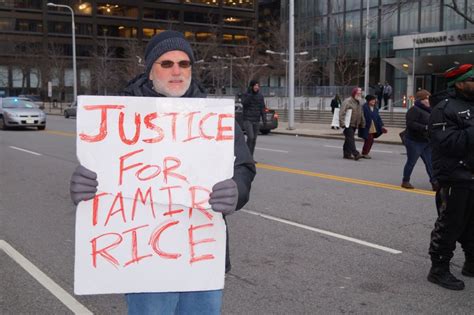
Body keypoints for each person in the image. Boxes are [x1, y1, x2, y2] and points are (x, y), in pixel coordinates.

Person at [69, 30, 256, 314]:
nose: (177, 71)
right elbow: (100, 170)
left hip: (201, 257)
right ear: (150, 69)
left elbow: (243, 168)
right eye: (166, 63)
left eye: (184, 63)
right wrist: (82, 186)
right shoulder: (120, 115)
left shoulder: (215, 118)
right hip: (146, 263)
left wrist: (236, 189)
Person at [427, 64, 474, 291]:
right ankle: (438, 269)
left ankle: (471, 263)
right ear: (460, 83)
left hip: (472, 175)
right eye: (473, 79)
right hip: (454, 176)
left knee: (472, 224)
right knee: (449, 224)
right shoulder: (443, 108)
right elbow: (448, 143)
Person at [401, 89, 437, 190]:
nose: (429, 101)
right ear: (421, 100)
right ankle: (405, 181)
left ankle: (434, 182)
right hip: (414, 141)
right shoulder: (414, 109)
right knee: (411, 162)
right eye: (427, 99)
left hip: (426, 140)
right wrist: (424, 127)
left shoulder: (430, 110)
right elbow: (410, 123)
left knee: (430, 162)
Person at [241, 80, 266, 157]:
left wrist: (264, 119)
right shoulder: (246, 94)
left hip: (256, 120)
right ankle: (246, 156)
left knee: (254, 139)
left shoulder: (260, 96)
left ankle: (250, 157)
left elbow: (262, 108)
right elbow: (244, 103)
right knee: (250, 137)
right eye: (255, 85)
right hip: (247, 119)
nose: (256, 87)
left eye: (258, 85)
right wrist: (250, 95)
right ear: (251, 86)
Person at [339, 87, 365, 160]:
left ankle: (346, 154)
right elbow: (342, 113)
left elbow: (361, 113)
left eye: (360, 93)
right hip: (348, 124)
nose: (359, 95)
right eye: (358, 93)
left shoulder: (359, 102)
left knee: (348, 139)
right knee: (351, 139)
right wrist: (342, 123)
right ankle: (356, 154)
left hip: (355, 124)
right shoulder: (347, 101)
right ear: (354, 93)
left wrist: (362, 123)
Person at [358, 95, 387, 159]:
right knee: (369, 139)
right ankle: (364, 153)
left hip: (374, 126)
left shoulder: (375, 108)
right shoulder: (364, 107)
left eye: (374, 100)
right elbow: (360, 116)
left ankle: (365, 152)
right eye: (372, 100)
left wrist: (382, 125)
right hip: (366, 126)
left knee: (370, 140)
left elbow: (378, 118)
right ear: (368, 101)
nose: (374, 101)